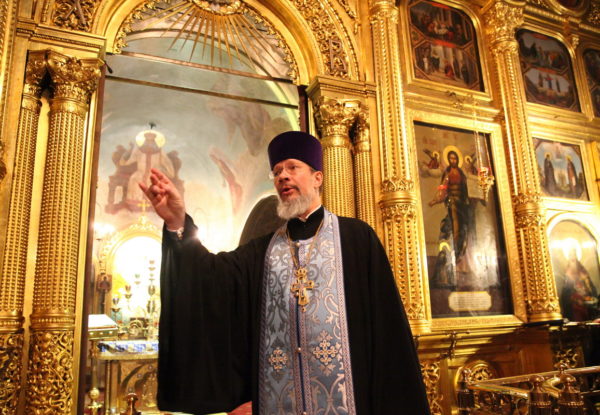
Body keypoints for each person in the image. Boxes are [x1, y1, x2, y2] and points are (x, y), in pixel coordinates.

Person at [139, 131, 431, 415]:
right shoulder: (263, 251)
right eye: (277, 171)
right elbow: (210, 278)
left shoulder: (356, 239)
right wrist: (177, 223)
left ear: (318, 178)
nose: (282, 176)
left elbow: (387, 331)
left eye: (292, 167)